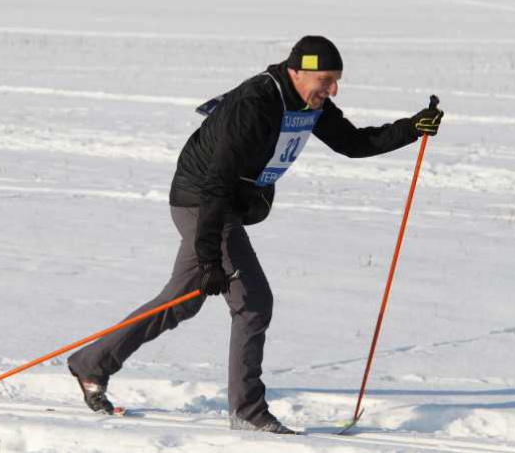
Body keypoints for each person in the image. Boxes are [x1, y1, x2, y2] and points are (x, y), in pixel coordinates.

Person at [67, 36, 444, 434]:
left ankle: (92, 365)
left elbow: (352, 143)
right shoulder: (255, 105)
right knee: (253, 302)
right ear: (296, 72)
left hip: (220, 203)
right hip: (203, 202)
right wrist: (211, 259)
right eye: (326, 80)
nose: (332, 90)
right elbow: (215, 184)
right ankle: (247, 412)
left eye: (336, 81)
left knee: (180, 301)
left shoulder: (306, 101)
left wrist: (410, 128)